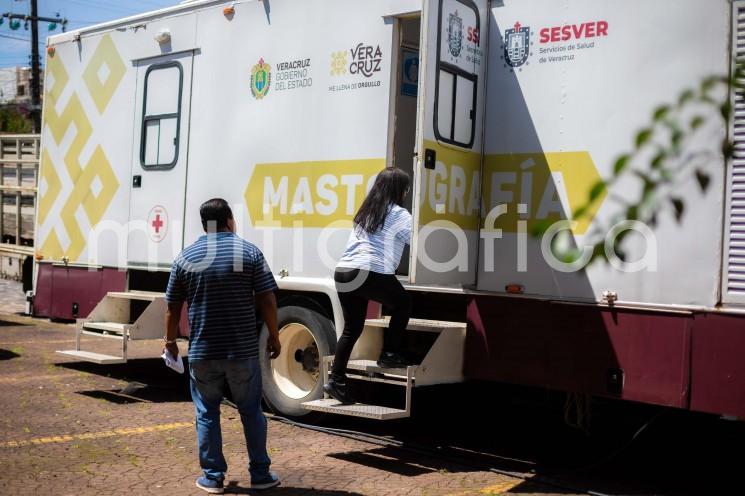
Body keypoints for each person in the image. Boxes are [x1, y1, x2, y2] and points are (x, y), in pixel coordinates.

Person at [164, 198, 282, 494]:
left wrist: (170, 342)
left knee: (206, 412)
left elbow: (172, 306)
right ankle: (260, 474)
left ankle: (213, 477)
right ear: (230, 220)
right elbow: (267, 298)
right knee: (251, 411)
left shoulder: (185, 257)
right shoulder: (249, 252)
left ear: (204, 225)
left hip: (203, 351)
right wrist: (274, 335)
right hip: (241, 351)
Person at [324, 167, 413, 405]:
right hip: (369, 271)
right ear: (399, 190)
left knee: (352, 329)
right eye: (405, 187)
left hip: (344, 272)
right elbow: (416, 239)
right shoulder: (399, 214)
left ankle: (336, 380)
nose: (406, 191)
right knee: (403, 304)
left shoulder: (366, 212)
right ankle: (390, 354)